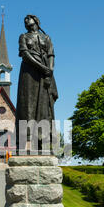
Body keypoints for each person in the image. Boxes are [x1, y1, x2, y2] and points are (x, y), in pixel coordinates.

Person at [15, 14, 59, 154]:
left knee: (44, 107)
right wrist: (42, 68)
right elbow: (25, 55)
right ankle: (22, 145)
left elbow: (51, 54)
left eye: (28, 19)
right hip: (29, 74)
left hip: (44, 75)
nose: (26, 21)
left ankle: (41, 144)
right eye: (25, 20)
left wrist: (49, 72)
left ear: (36, 21)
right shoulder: (23, 37)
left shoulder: (47, 38)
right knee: (26, 106)